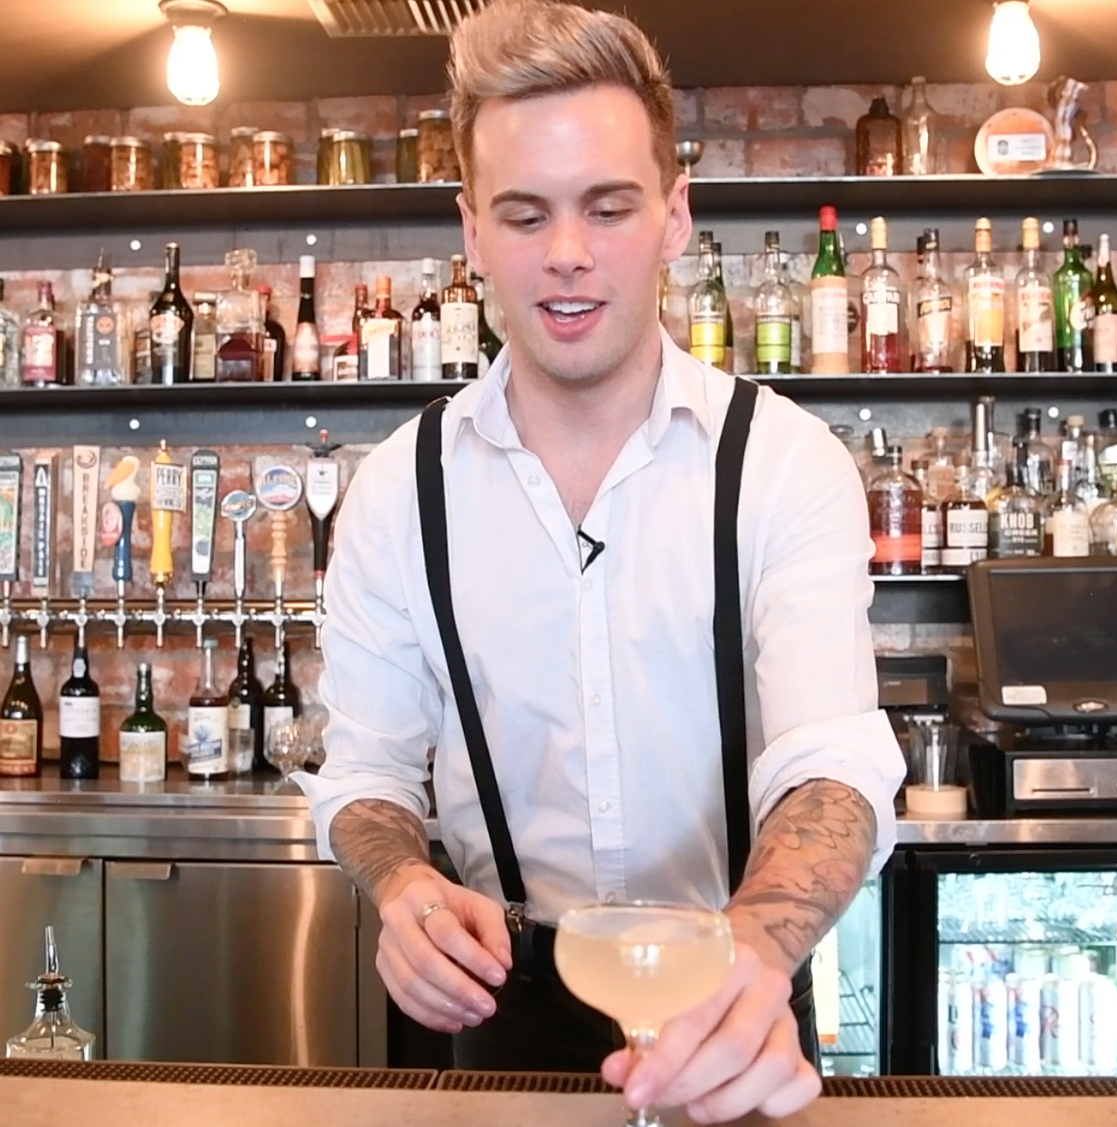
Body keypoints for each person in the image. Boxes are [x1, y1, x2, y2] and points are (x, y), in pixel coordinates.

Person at [296, 0, 905, 1120]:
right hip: (504, 1004)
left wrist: (761, 948)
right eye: (524, 214)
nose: (567, 255)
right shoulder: (396, 489)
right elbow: (367, 775)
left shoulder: (784, 462)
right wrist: (405, 879)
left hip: (738, 986)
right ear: (471, 229)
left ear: (676, 215)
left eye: (608, 206)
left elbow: (834, 763)